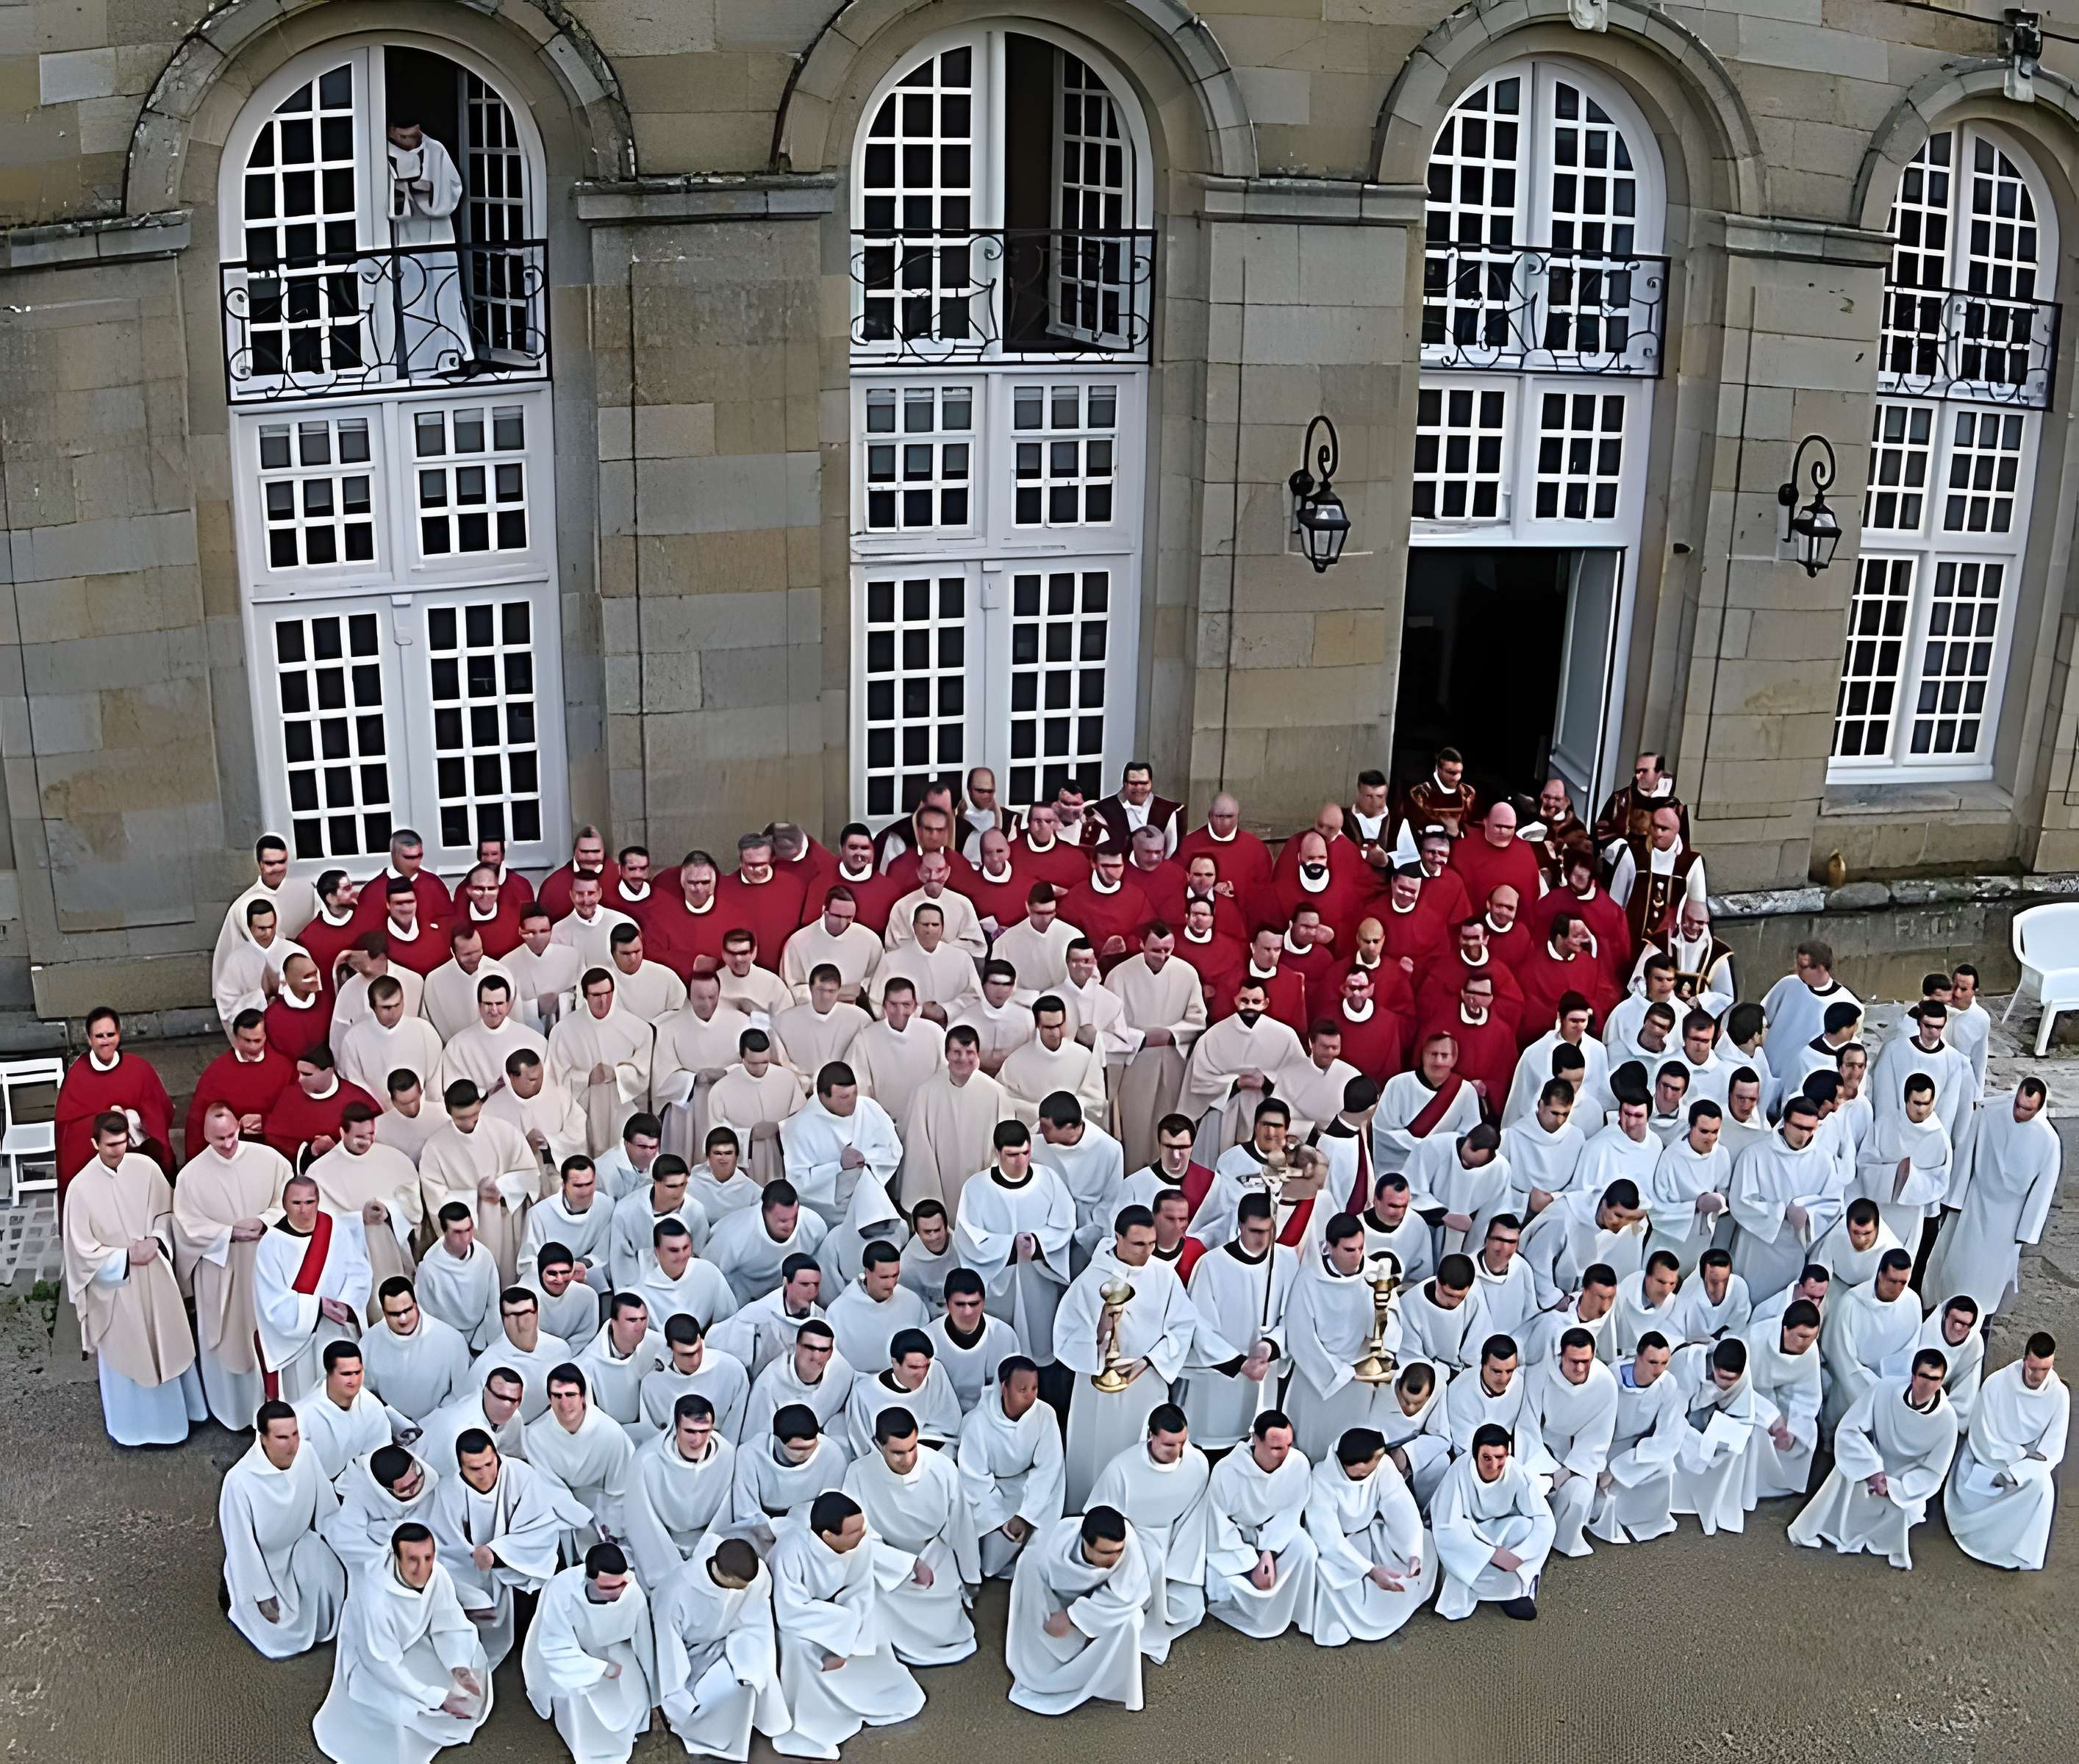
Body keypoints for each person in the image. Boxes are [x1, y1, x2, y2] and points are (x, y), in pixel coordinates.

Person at [311, 1522, 491, 1764]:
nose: (422, 1569)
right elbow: (382, 1664)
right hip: (371, 1667)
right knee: (401, 1710)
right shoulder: (374, 1595)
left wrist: (459, 1668)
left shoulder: (437, 1575)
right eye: (413, 1560)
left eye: (428, 1558)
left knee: (474, 1672)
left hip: (411, 1647)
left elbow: (450, 1623)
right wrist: (439, 1699)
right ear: (395, 1557)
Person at [767, 1491, 928, 1759]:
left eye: (862, 1527)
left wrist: (845, 1641)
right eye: (854, 1532)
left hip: (837, 1616)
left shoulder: (860, 1545)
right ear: (828, 1537)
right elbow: (788, 1609)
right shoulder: (790, 1551)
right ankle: (814, 1722)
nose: (863, 1536)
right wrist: (841, 1630)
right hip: (796, 1624)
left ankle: (875, 1695)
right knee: (799, 1648)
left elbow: (860, 1590)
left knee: (873, 1624)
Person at [429, 1428, 589, 1669]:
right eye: (474, 1469)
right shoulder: (447, 1491)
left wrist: (498, 1552)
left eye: (489, 1464)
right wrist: (474, 1559)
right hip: (474, 1570)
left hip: (521, 1564)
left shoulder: (521, 1475)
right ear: (461, 1467)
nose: (484, 1474)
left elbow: (539, 1526)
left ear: (496, 1456)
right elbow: (446, 1545)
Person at [1789, 1349, 1961, 1570]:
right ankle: (1816, 1528)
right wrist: (1873, 1469)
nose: (1928, 1384)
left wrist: (1895, 1487)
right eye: (1924, 1377)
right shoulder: (1885, 1389)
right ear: (1913, 1375)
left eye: (1935, 1379)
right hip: (1874, 1464)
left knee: (1900, 1508)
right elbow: (1850, 1429)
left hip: (1907, 1480)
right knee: (1844, 1470)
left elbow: (1934, 1472)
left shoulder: (1947, 1420)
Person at [843, 1405, 981, 1664]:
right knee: (876, 1599)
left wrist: (971, 1575)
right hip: (886, 1561)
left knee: (945, 1614)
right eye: (897, 1452)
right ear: (878, 1444)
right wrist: (906, 1565)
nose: (906, 1459)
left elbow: (961, 1525)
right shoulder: (858, 1473)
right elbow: (858, 1537)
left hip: (934, 1551)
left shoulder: (942, 1468)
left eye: (912, 1448)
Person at [219, 1402, 346, 1659]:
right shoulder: (239, 1481)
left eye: (295, 1434)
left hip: (299, 1544)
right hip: (262, 1562)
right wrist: (262, 1594)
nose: (292, 1445)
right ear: (263, 1439)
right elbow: (241, 1546)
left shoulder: (307, 1454)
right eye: (281, 1438)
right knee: (276, 1628)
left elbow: (328, 1510)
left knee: (331, 1583)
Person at [1086, 1405, 1211, 1663]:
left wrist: (1179, 1561)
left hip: (1175, 1541)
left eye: (1182, 1443)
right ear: (1151, 1436)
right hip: (1131, 1540)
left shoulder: (1197, 1463)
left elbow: (1194, 1517)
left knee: (1191, 1605)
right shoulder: (1122, 1468)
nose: (1177, 1452)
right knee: (1146, 1571)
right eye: (1168, 1444)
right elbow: (1099, 1517)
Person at [1926, 1079, 2058, 1321]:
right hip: (1975, 1205)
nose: (2019, 1112)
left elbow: (2042, 1190)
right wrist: (1955, 1200)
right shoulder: (1989, 1113)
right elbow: (1967, 1155)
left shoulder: (2049, 1141)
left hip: (2008, 1221)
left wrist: (2025, 1232)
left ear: (2039, 1109)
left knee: (1990, 1282)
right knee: (1957, 1267)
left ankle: (1981, 1324)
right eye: (2017, 1105)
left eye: (2027, 1109)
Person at [653, 1534, 788, 1762]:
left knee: (742, 1685)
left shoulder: (756, 1576)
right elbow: (669, 1648)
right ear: (723, 1574)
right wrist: (679, 1700)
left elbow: (757, 1622)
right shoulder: (676, 1591)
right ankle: (705, 1736)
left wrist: (752, 1665)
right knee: (708, 1698)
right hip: (690, 1655)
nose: (746, 1589)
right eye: (740, 1586)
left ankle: (736, 1738)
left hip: (733, 1644)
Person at [1005, 1506, 1150, 1716]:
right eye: (1107, 1553)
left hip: (1094, 1609)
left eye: (1119, 1550)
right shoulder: (1048, 1546)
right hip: (1053, 1605)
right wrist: (1058, 1617)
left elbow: (1130, 1594)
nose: (1116, 1558)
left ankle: (1108, 1681)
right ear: (1085, 1542)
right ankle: (1050, 1675)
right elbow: (1032, 1586)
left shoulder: (1128, 1543)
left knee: (1133, 1619)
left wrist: (1075, 1616)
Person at [521, 1542, 656, 1764]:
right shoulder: (561, 1589)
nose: (617, 1593)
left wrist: (653, 1693)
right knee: (582, 1707)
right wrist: (599, 1668)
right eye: (608, 1588)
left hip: (617, 1651)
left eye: (621, 1585)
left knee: (631, 1697)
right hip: (575, 1658)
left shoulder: (632, 1590)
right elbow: (553, 1645)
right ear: (589, 1578)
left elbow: (643, 1642)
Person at [1283, 1213, 1405, 1459]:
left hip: (1360, 1380)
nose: (1358, 1255)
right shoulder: (1309, 1280)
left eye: (1361, 1247)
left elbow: (1391, 1322)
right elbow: (1300, 1337)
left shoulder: (1375, 1275)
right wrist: (1337, 1373)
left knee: (1352, 1450)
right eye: (1349, 1249)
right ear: (1330, 1247)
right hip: (1317, 1381)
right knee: (1313, 1448)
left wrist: (1381, 1352)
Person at [1945, 1333, 2067, 1571]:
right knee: (1990, 1481)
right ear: (2025, 1360)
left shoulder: (2059, 1394)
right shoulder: (1997, 1383)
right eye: (2033, 1368)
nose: (2038, 1376)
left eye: (2045, 1369)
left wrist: (2020, 1466)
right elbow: (1982, 1436)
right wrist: (2016, 1455)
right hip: (1990, 1456)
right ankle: (1985, 1542)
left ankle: (2020, 1552)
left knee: (2042, 1486)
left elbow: (2051, 1451)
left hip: (2028, 1464)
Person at [1303, 1426, 1436, 1644]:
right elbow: (1329, 1540)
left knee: (1426, 1544)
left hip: (1371, 1532)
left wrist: (1413, 1553)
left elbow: (1399, 1506)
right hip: (1339, 1547)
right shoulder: (1321, 1478)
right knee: (1326, 1575)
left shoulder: (1382, 1464)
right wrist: (1370, 1570)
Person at [1185, 1191, 1295, 1450]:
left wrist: (1270, 1346)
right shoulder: (1212, 1265)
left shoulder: (1286, 1261)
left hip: (1265, 1375)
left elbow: (1293, 1317)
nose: (1262, 1239)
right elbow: (1200, 1326)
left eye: (1269, 1231)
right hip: (1220, 1379)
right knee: (1217, 1446)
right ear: (1240, 1225)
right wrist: (1239, 1363)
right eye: (1255, 1231)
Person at [254, 1172, 371, 1405]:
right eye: (296, 1203)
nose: (303, 1210)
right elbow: (270, 1300)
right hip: (299, 1340)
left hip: (337, 1327)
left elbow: (359, 1270)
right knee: (307, 1398)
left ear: (318, 1201)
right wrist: (318, 1306)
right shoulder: (271, 1242)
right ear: (284, 1204)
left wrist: (347, 1304)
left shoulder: (333, 1227)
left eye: (310, 1202)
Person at [1203, 1410, 1317, 1640]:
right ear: (1256, 1440)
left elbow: (1291, 1511)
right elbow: (1217, 1522)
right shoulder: (1227, 1470)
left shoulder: (1298, 1463)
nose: (1284, 1454)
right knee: (1221, 1577)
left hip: (1276, 1532)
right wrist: (1251, 1561)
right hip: (1235, 1538)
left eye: (1288, 1445)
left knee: (1306, 1550)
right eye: (1276, 1448)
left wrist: (1268, 1550)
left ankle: (1296, 1612)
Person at [1431, 1424, 1555, 1621]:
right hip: (1469, 1540)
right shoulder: (1459, 1471)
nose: (1494, 1465)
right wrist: (1492, 1554)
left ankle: (1511, 1593)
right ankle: (1477, 1589)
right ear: (1474, 1455)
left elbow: (1543, 1518)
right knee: (1460, 1545)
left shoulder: (1514, 1470)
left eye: (1500, 1458)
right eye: (1486, 1458)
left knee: (1524, 1527)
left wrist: (1520, 1555)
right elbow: (1447, 1526)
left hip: (1499, 1530)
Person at [957, 1358, 1065, 1580]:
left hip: (1028, 1485)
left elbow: (1049, 1467)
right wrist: (1002, 1518)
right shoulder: (977, 1422)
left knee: (1042, 1545)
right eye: (1022, 1389)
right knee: (992, 1560)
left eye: (1035, 1388)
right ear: (1004, 1387)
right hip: (991, 1492)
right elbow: (974, 1479)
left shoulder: (1045, 1414)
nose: (1030, 1396)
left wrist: (1026, 1515)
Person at [1586, 1334, 1684, 1546]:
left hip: (1636, 1447)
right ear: (1638, 1358)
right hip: (1604, 1444)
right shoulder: (1612, 1377)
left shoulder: (1668, 1384)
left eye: (1664, 1363)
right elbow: (1592, 1422)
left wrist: (1619, 1468)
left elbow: (1668, 1436)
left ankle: (1648, 1521)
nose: (1658, 1370)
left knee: (1665, 1467)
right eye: (1652, 1362)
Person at [779, 1061, 902, 1230]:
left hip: (872, 1205)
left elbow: (893, 1150)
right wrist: (839, 1168)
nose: (852, 1102)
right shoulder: (799, 1126)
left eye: (854, 1094)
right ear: (822, 1095)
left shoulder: (869, 1108)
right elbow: (798, 1182)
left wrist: (865, 1160)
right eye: (844, 1097)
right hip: (827, 1216)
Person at [1528, 1329, 1619, 1556]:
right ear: (1561, 1356)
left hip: (1577, 1457)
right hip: (1539, 1449)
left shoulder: (1605, 1382)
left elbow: (1598, 1434)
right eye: (1574, 1361)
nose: (1580, 1369)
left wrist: (1567, 1471)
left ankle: (1557, 1541)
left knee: (1579, 1498)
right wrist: (1546, 1468)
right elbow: (1526, 1426)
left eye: (1586, 1362)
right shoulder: (1539, 1375)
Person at [525, 1366, 637, 1543]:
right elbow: (549, 1487)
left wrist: (612, 1529)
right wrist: (583, 1519)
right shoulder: (535, 1435)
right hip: (560, 1505)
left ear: (582, 1397)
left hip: (605, 1501)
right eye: (557, 1396)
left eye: (570, 1395)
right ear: (549, 1399)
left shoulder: (610, 1431)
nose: (564, 1403)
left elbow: (621, 1488)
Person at [1820, 1250, 1922, 1433]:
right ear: (1880, 1275)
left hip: (1890, 1381)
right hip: (1849, 1379)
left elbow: (1909, 1352)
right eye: (1893, 1281)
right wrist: (1871, 1386)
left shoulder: (1912, 1303)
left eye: (1903, 1283)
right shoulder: (1851, 1303)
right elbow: (1842, 1356)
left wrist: (1886, 1387)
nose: (1898, 1288)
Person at [1742, 1299, 1824, 1505]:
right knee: (1754, 1433)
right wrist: (1772, 1418)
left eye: (1812, 1338)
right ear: (1785, 1329)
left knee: (1807, 1433)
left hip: (1784, 1401)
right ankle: (1752, 1486)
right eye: (1802, 1337)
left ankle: (1785, 1484)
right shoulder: (1755, 1337)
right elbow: (1739, 1386)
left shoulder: (1810, 1349)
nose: (1806, 1344)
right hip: (1753, 1401)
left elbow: (1809, 1394)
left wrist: (1792, 1426)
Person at [321, 1443, 441, 1579]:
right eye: (406, 1489)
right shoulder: (359, 1494)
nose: (415, 1488)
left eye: (417, 1479)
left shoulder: (427, 1471)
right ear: (388, 1491)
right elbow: (346, 1543)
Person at [362, 1277, 471, 1422]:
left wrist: (432, 1421)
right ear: (384, 1312)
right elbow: (364, 1393)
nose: (403, 1319)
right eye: (394, 1314)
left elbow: (462, 1393)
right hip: (387, 1429)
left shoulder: (452, 1340)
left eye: (407, 1310)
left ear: (416, 1304)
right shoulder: (368, 1344)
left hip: (441, 1426)